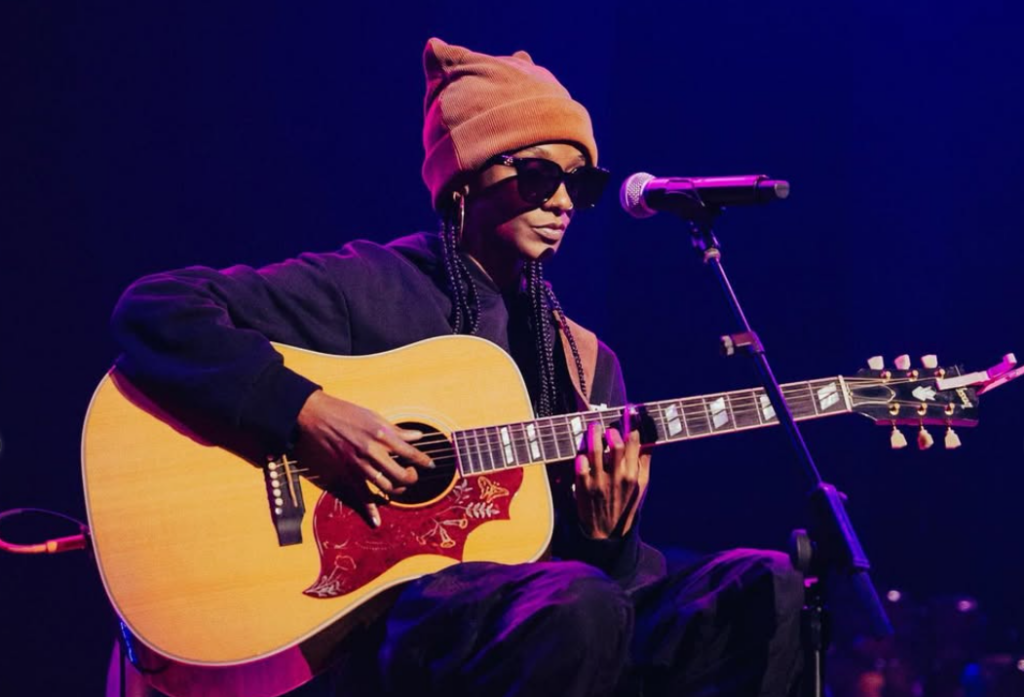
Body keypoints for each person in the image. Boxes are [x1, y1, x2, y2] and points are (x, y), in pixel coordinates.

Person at [108, 38, 804, 697]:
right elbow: (159, 307)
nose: (564, 202)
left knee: (764, 589)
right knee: (575, 602)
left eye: (581, 184)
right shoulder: (372, 287)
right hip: (392, 626)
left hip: (545, 625)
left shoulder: (587, 365)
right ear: (467, 179)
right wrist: (305, 413)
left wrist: (608, 537)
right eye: (540, 176)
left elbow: (608, 594)